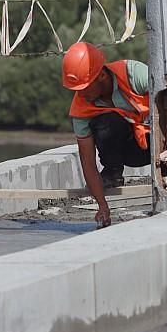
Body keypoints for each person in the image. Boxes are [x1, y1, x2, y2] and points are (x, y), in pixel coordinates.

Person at [62, 41, 150, 227]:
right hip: (132, 152)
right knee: (106, 124)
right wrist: (102, 205)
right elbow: (87, 162)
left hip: (159, 140)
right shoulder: (80, 110)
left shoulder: (133, 73)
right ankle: (113, 171)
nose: (80, 95)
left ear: (101, 75)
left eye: (83, 88)